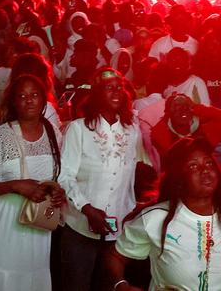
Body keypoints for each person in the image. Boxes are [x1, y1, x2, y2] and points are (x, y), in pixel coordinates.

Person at [106, 136, 221, 291]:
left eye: (209, 163)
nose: (205, 170)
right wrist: (120, 285)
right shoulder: (155, 218)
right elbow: (115, 256)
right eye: (193, 166)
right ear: (179, 178)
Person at [0, 73, 65, 291]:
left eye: (34, 95)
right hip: (5, 226)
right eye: (22, 96)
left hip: (39, 226)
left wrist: (57, 192)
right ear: (13, 102)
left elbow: (60, 177)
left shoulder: (54, 134)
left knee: (33, 279)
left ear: (44, 100)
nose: (29, 100)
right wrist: (15, 186)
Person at [57, 68, 141, 290]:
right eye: (108, 87)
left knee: (109, 285)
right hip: (80, 227)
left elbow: (131, 176)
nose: (116, 92)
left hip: (116, 230)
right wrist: (87, 209)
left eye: (119, 87)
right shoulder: (79, 129)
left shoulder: (132, 131)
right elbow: (65, 176)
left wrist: (131, 208)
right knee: (76, 284)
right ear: (96, 94)